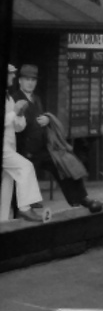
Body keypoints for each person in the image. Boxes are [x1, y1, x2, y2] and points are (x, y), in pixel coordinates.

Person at [10, 64, 100, 211]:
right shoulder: (14, 99)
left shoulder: (36, 98)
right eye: (27, 79)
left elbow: (40, 117)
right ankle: (23, 208)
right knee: (21, 176)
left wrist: (47, 118)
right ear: (20, 81)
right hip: (23, 150)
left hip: (42, 148)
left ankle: (82, 198)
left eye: (33, 80)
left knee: (64, 164)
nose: (30, 83)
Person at [4, 65, 48, 223]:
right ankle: (25, 208)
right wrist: (15, 112)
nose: (12, 77)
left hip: (9, 147)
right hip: (5, 149)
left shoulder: (8, 98)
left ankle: (4, 226)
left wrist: (19, 115)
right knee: (26, 167)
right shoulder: (11, 98)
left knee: (5, 191)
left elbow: (17, 127)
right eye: (10, 74)